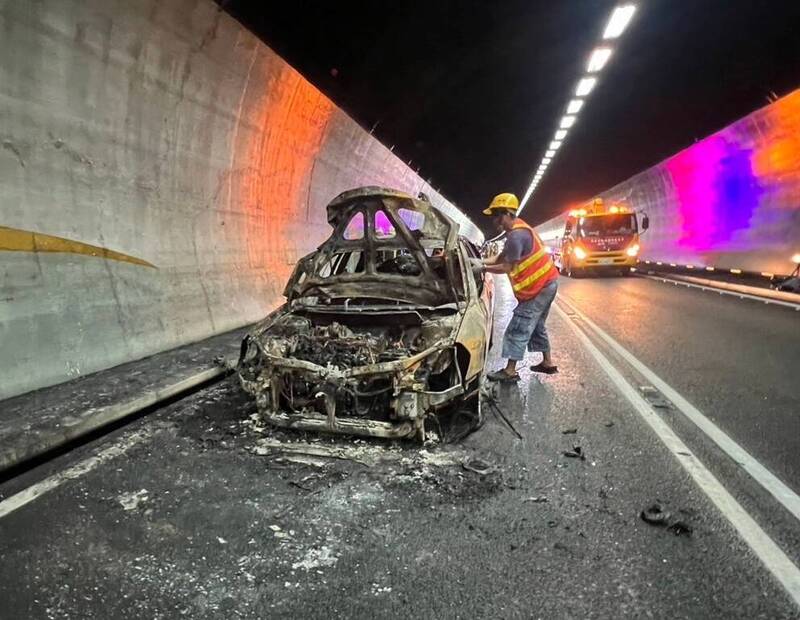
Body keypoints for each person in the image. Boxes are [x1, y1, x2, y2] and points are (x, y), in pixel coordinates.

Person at [481, 192, 559, 381]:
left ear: (506, 214)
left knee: (519, 325)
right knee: (537, 325)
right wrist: (476, 261)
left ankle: (509, 371)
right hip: (548, 282)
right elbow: (500, 258)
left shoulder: (517, 236)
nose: (493, 220)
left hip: (539, 287)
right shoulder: (516, 231)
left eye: (495, 215)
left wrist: (482, 268)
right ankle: (547, 362)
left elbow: (507, 266)